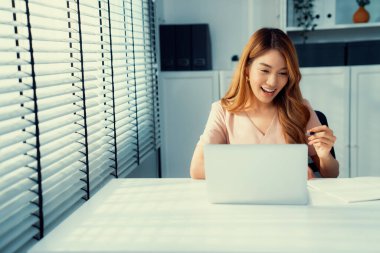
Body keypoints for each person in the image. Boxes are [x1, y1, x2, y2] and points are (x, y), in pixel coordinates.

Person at [189, 27, 339, 180]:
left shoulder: (300, 109)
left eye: (283, 73)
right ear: (247, 70)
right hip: (245, 202)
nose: (273, 82)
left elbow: (332, 174)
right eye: (265, 71)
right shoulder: (223, 111)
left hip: (291, 202)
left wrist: (325, 155)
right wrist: (276, 172)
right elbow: (197, 169)